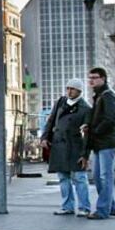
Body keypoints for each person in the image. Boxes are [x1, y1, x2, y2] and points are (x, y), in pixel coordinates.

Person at [40, 79, 91, 216]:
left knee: (79, 178)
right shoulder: (61, 102)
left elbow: (87, 134)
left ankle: (84, 207)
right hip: (59, 145)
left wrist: (85, 154)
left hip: (75, 147)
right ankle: (67, 206)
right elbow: (51, 121)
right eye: (68, 88)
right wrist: (44, 137)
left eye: (72, 89)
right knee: (63, 177)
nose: (69, 91)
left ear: (79, 91)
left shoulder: (85, 108)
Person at [81, 67, 115, 220]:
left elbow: (112, 117)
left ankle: (103, 210)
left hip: (106, 141)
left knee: (105, 176)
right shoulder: (99, 96)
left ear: (103, 79)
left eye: (95, 77)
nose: (91, 80)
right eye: (89, 77)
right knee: (98, 177)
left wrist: (95, 130)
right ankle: (112, 207)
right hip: (99, 142)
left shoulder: (108, 96)